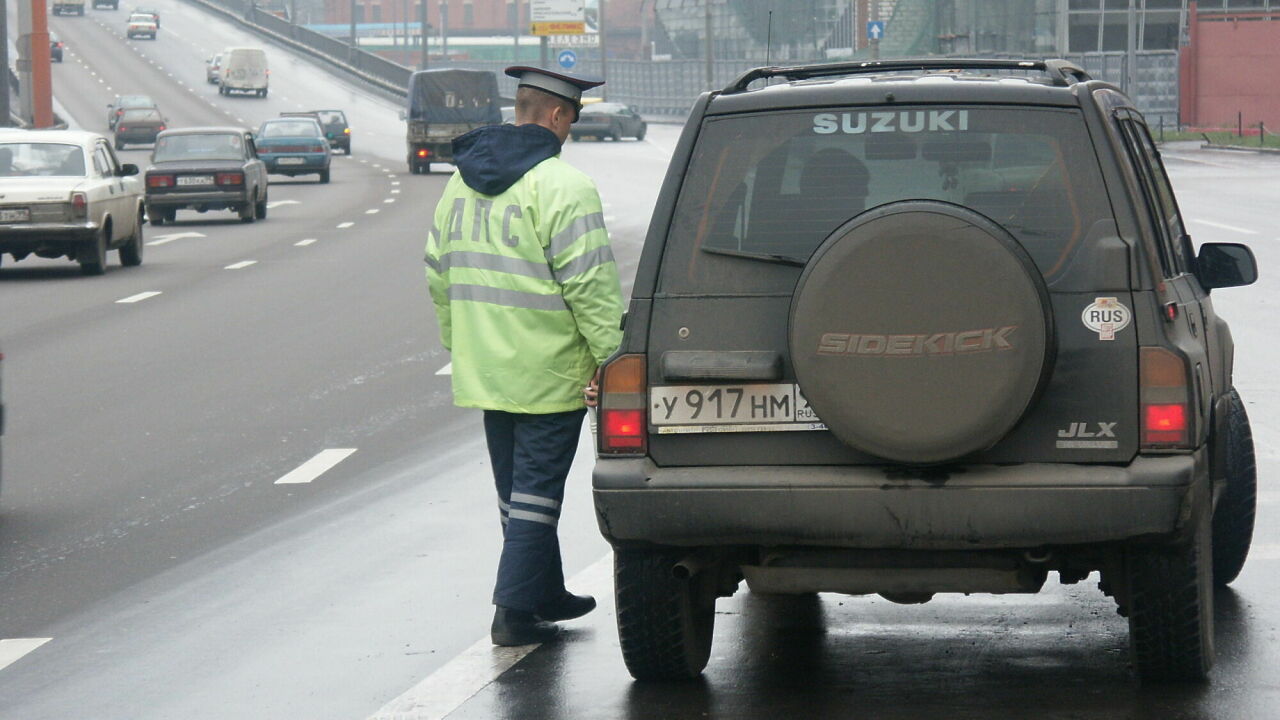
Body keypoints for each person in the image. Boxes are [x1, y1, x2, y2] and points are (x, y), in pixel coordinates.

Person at [424, 66, 624, 647]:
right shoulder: (564, 187)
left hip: (486, 369)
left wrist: (461, 344)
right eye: (573, 121)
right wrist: (611, 362)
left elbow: (437, 274)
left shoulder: (459, 184)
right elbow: (590, 287)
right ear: (559, 116)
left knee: (517, 497)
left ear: (520, 109)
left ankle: (544, 593)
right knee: (536, 495)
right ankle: (511, 610)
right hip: (549, 370)